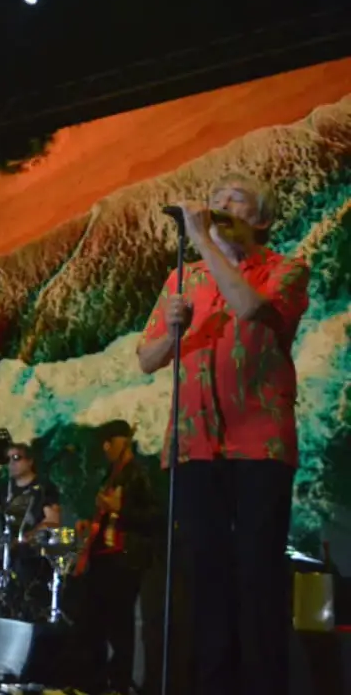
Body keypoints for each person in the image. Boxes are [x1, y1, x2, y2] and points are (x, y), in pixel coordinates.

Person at [136, 173, 309, 695]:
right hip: (192, 446)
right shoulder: (181, 281)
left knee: (257, 577)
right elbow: (146, 360)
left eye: (234, 200)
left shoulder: (285, 269)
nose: (219, 205)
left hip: (259, 441)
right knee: (206, 580)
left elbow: (254, 309)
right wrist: (171, 332)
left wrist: (204, 239)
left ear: (259, 220)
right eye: (214, 200)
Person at [76, 420, 158, 695]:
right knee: (93, 622)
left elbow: (155, 518)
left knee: (121, 625)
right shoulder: (111, 475)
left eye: (110, 441)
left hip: (124, 558)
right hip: (102, 557)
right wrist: (90, 525)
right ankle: (94, 683)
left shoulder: (140, 474)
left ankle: (120, 684)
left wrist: (121, 509)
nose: (105, 447)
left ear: (123, 442)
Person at [0, 442, 62, 618]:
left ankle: (23, 612)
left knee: (21, 568)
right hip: (9, 548)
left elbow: (52, 520)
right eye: (8, 459)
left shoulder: (44, 488)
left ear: (30, 461)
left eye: (16, 458)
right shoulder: (3, 487)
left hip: (35, 551)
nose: (11, 463)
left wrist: (26, 537)